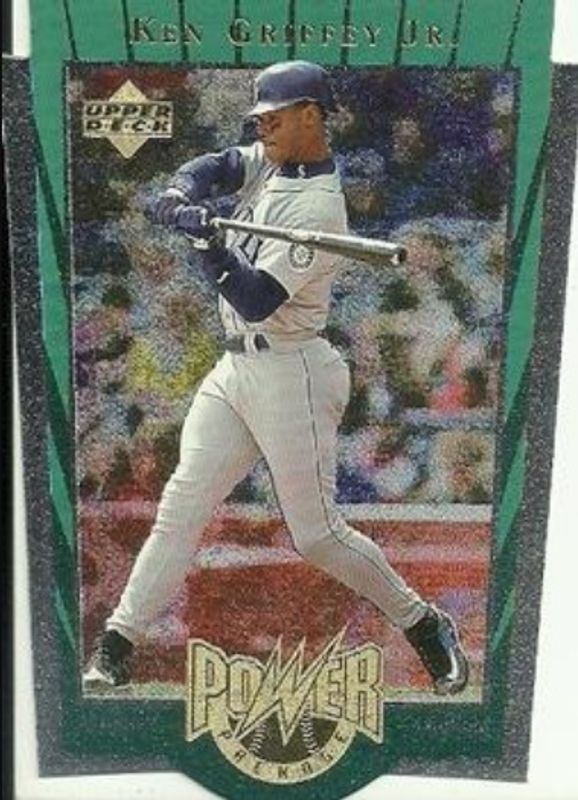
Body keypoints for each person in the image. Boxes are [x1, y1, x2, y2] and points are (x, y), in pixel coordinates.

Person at [84, 61, 468, 696]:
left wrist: (207, 246)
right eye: (259, 118)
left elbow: (258, 298)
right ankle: (116, 645)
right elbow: (216, 166)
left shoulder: (321, 206)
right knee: (181, 507)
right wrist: (180, 194)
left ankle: (424, 624)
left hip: (293, 368)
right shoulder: (274, 160)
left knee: (317, 537)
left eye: (273, 117)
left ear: (310, 116)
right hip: (235, 368)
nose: (261, 127)